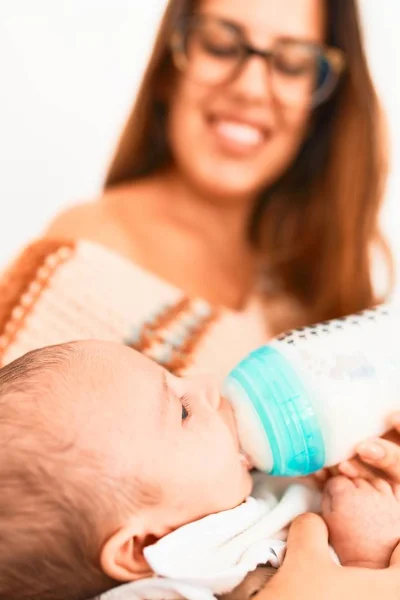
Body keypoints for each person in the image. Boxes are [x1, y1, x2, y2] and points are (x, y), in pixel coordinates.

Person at [1, 0, 400, 597]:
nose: (250, 85)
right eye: (222, 43)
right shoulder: (83, 262)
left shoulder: (311, 287)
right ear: (172, 65)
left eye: (292, 62)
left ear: (323, 104)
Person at [1, 339, 400, 600]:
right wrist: (367, 556)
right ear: (143, 546)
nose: (208, 384)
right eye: (183, 410)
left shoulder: (225, 497)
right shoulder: (182, 585)